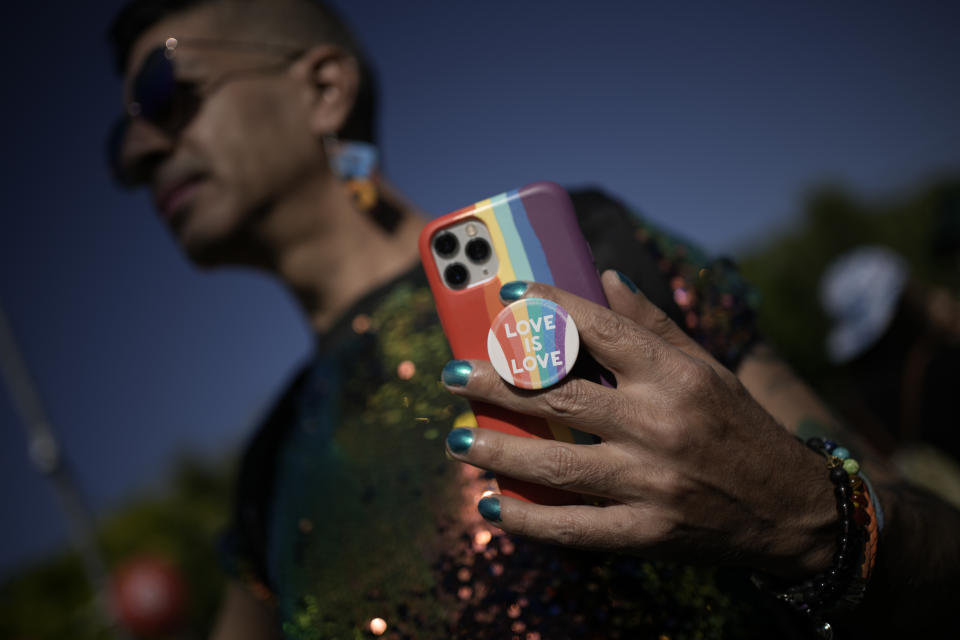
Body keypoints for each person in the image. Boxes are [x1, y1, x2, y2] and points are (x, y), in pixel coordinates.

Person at [107, 1, 960, 638]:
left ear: (324, 89)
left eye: (162, 92)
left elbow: (931, 537)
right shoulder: (271, 463)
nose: (141, 152)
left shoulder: (584, 248)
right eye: (121, 142)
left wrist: (810, 516)